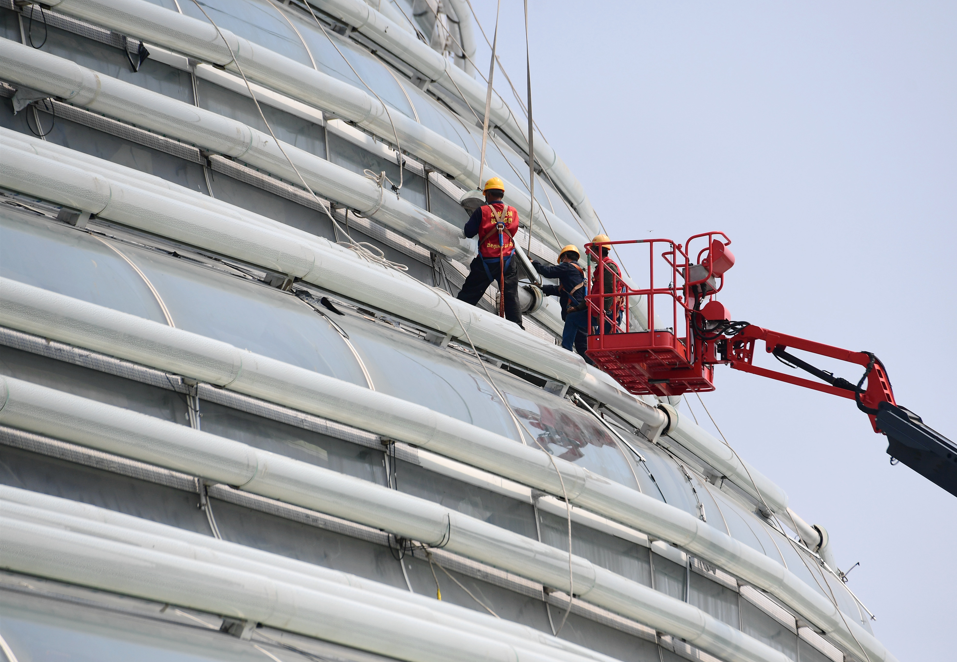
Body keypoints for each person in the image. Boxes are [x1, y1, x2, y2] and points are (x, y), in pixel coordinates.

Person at [456, 177, 523, 328]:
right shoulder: (513, 212)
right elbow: (513, 231)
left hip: (486, 261)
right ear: (502, 194)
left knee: (470, 293)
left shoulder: (482, 211)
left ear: (487, 194)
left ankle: (456, 316)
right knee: (511, 296)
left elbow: (468, 231)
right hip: (507, 261)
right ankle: (518, 328)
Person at [532, 245, 592, 364]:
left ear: (565, 256)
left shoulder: (568, 267)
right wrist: (543, 288)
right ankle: (593, 365)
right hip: (582, 310)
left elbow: (548, 272)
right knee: (582, 346)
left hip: (576, 311)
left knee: (581, 345)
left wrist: (534, 263)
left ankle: (575, 359)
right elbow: (561, 291)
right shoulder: (579, 272)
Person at [589, 234, 624, 334]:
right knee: (573, 319)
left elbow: (610, 291)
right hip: (603, 311)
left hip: (609, 311)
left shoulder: (609, 267)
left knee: (603, 342)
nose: (590, 254)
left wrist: (602, 312)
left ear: (596, 251)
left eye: (591, 251)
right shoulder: (602, 267)